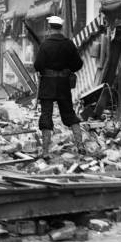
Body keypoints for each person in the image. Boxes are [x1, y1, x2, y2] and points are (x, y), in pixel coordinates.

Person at [34, 15, 84, 158]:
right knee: (69, 114)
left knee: (46, 115)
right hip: (63, 85)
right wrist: (67, 69)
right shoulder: (69, 44)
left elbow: (38, 66)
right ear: (61, 28)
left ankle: (45, 151)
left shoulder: (45, 44)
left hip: (48, 85)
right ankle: (80, 145)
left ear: (49, 28)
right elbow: (78, 64)